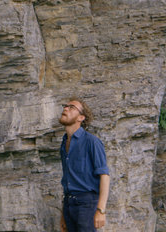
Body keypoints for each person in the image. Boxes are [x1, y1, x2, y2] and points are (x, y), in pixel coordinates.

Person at [58, 98, 110, 232]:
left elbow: (104, 175)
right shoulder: (64, 144)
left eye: (72, 107)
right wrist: (63, 213)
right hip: (69, 204)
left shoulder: (92, 142)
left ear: (81, 117)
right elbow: (68, 180)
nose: (66, 108)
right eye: (66, 106)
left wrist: (101, 210)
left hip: (86, 204)